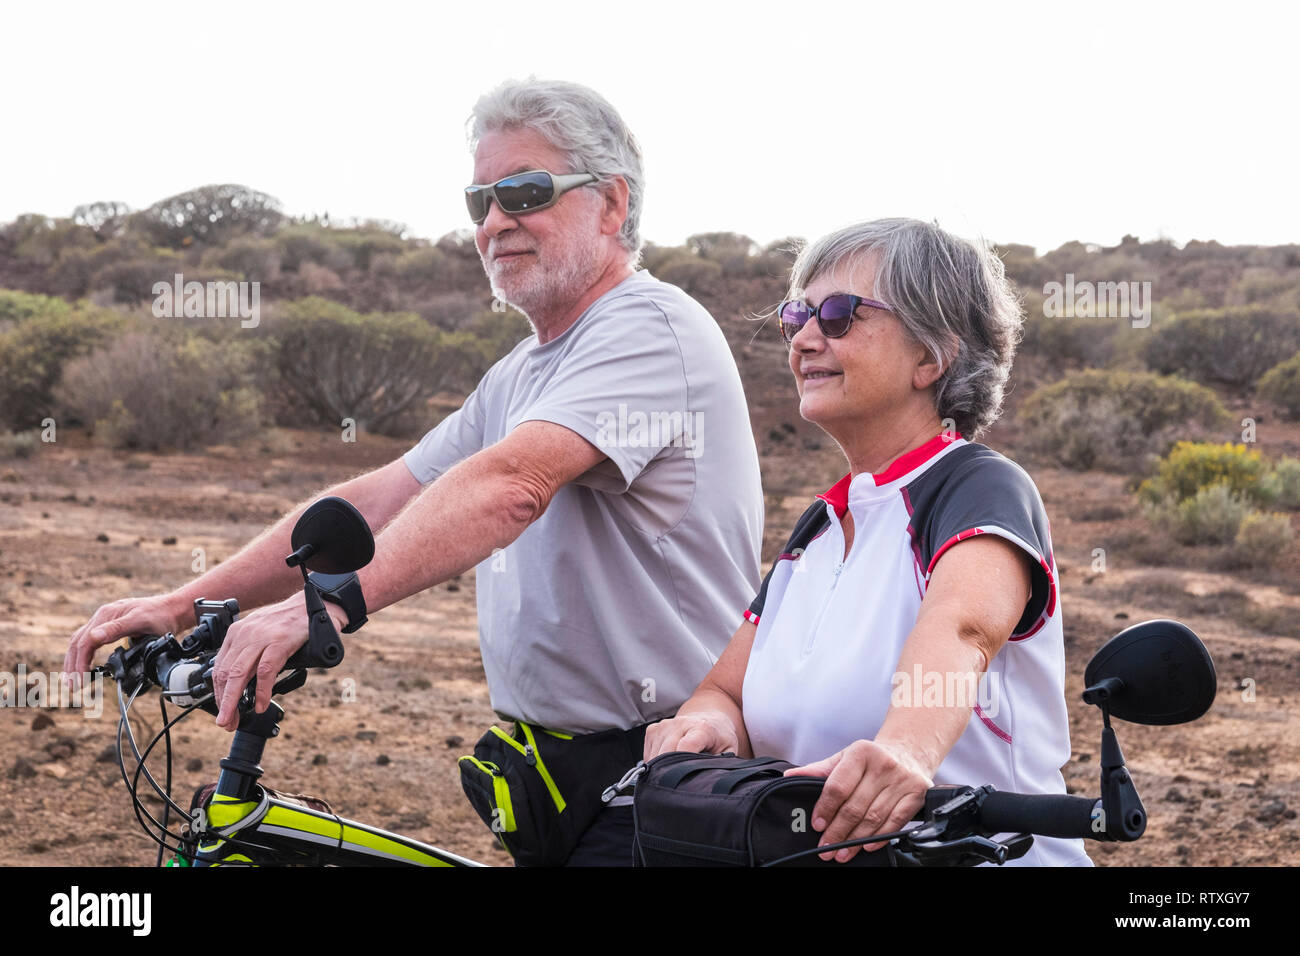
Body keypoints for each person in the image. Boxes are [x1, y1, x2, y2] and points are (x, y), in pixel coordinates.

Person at [65, 77, 764, 866]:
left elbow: (511, 487)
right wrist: (179, 604)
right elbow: (377, 499)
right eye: (480, 202)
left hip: (666, 769)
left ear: (610, 204)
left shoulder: (650, 328)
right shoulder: (523, 371)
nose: (496, 222)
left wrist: (324, 609)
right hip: (557, 773)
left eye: (525, 192)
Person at [644, 218, 1091, 866]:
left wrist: (907, 749)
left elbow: (963, 630)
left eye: (837, 314)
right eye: (796, 315)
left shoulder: (976, 486)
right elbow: (728, 692)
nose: (803, 338)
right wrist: (710, 725)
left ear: (931, 355)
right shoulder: (821, 526)